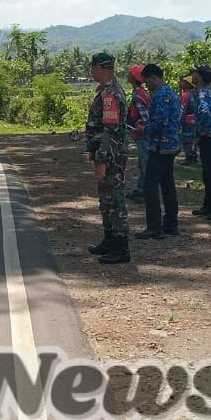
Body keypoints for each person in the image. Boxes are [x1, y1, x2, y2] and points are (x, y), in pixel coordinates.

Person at [84, 53, 131, 264]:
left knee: (114, 200)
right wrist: (92, 150)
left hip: (111, 156)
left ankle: (121, 247)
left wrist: (102, 160)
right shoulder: (106, 91)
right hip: (105, 154)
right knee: (106, 200)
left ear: (100, 68)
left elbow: (111, 130)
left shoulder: (111, 94)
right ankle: (110, 240)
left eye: (92, 67)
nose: (90, 71)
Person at [137, 64, 181, 239]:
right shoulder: (171, 92)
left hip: (161, 145)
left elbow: (160, 121)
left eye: (147, 81)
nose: (146, 85)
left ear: (153, 77)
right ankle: (171, 224)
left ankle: (154, 227)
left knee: (150, 184)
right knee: (167, 184)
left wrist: (144, 130)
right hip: (172, 144)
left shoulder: (161, 95)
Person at [188, 66, 211, 220]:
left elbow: (204, 112)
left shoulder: (202, 94)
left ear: (200, 77)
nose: (192, 76)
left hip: (208, 136)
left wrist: (202, 130)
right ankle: (209, 205)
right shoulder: (205, 92)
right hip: (210, 136)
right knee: (208, 172)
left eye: (195, 73)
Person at [125, 64, 151, 204]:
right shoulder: (143, 92)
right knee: (143, 162)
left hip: (142, 133)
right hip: (142, 132)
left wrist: (142, 128)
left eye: (130, 73)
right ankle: (141, 189)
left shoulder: (138, 95)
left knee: (145, 163)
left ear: (134, 77)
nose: (128, 75)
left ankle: (145, 192)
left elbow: (145, 116)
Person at [179, 76, 198, 165]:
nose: (181, 83)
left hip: (187, 120)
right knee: (193, 139)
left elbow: (182, 110)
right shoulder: (194, 93)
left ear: (188, 84)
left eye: (183, 82)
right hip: (195, 120)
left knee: (187, 139)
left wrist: (178, 123)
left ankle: (188, 158)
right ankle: (193, 157)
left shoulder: (185, 95)